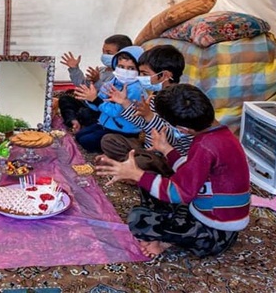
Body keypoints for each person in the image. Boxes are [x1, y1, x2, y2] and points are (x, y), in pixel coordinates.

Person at [95, 84, 251, 258]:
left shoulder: (205, 146)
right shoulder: (220, 134)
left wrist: (136, 174)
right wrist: (166, 149)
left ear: (183, 130)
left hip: (215, 234)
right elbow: (189, 171)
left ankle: (167, 241)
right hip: (202, 208)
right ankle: (166, 234)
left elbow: (179, 193)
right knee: (151, 182)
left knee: (138, 219)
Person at [98, 44, 190, 175]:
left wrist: (149, 117)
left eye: (145, 74)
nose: (140, 77)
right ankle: (128, 165)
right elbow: (143, 125)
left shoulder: (181, 100)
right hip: (148, 151)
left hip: (168, 157)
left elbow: (172, 139)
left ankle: (131, 168)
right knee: (109, 140)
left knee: (142, 162)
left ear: (164, 75)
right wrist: (125, 103)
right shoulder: (154, 97)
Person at [73, 46, 145, 152]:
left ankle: (123, 146)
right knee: (79, 136)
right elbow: (97, 105)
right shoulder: (113, 81)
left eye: (131, 68)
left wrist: (95, 100)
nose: (125, 71)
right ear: (116, 66)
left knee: (85, 141)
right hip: (105, 124)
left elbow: (115, 112)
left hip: (123, 130)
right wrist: (89, 98)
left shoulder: (135, 89)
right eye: (121, 66)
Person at [58, 34, 133, 134]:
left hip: (102, 108)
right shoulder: (101, 70)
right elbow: (82, 85)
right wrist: (74, 69)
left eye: (108, 53)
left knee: (85, 113)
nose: (104, 55)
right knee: (65, 99)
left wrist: (97, 81)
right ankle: (73, 122)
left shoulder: (122, 76)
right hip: (89, 103)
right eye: (103, 51)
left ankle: (82, 121)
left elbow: (111, 96)